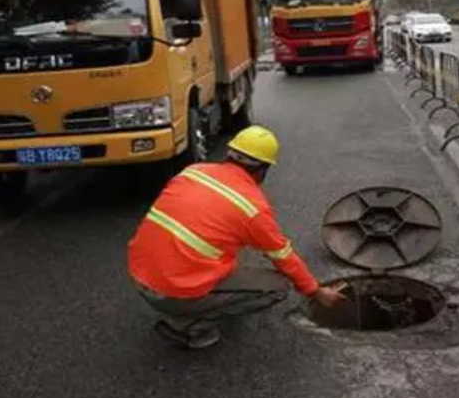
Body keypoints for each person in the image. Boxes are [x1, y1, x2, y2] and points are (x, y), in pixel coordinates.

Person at [128, 125, 345, 349]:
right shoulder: (251, 208)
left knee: (214, 250)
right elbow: (284, 257)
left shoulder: (193, 171)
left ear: (229, 154)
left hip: (139, 275)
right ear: (263, 169)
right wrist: (315, 291)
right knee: (278, 286)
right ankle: (188, 325)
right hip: (170, 292)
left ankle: (194, 302)